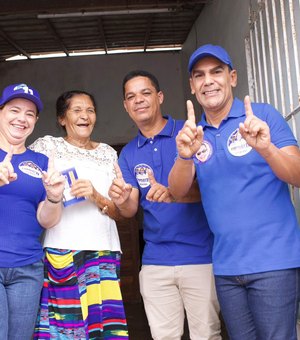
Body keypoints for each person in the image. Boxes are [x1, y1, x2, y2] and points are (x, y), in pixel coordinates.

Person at [168, 44, 300, 340]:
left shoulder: (262, 116)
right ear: (191, 86)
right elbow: (177, 192)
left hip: (274, 261)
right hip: (227, 267)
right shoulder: (194, 134)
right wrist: (184, 155)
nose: (208, 81)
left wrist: (266, 148)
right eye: (199, 75)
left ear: (233, 77)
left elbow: (297, 174)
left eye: (217, 72)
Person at [108, 70, 221, 340]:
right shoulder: (129, 153)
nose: (139, 101)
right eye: (131, 97)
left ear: (159, 96)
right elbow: (130, 210)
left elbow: (215, 189)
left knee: (206, 335)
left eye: (145, 93)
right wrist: (122, 201)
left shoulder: (189, 134)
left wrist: (175, 191)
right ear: (125, 106)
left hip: (201, 257)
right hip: (155, 261)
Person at [29, 90, 128, 339]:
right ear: (62, 118)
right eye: (77, 110)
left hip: (104, 250)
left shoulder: (107, 153)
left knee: (102, 330)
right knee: (65, 330)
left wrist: (95, 195)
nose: (85, 116)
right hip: (61, 250)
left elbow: (119, 213)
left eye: (90, 110)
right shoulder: (47, 146)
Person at [0, 83, 65, 339]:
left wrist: (53, 198)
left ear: (36, 120)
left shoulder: (41, 162)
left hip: (28, 268)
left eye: (29, 113)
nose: (21, 118)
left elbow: (46, 220)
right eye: (15, 110)